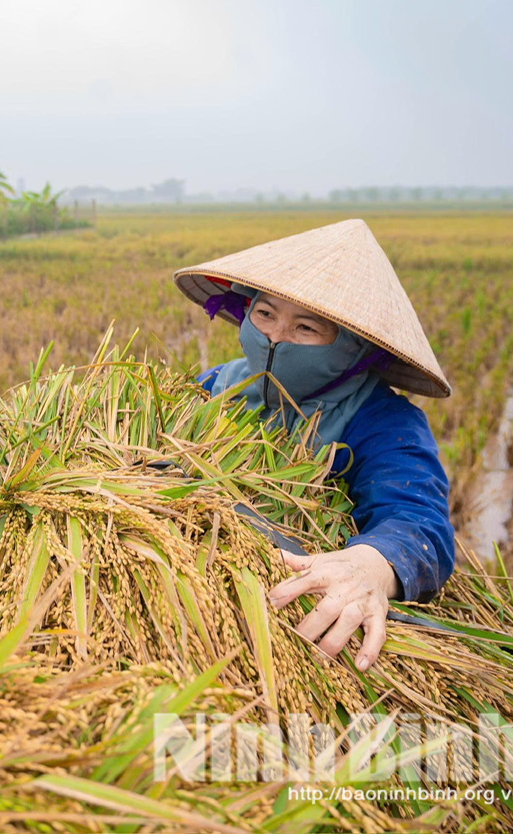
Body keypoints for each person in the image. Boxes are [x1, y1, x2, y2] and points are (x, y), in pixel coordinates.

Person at [173, 219, 454, 672]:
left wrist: (370, 567)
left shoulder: (381, 419)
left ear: (352, 348)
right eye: (264, 315)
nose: (275, 339)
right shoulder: (213, 386)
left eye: (306, 328)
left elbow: (420, 525)